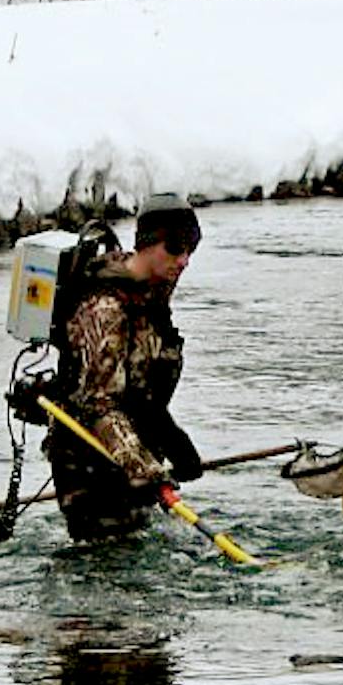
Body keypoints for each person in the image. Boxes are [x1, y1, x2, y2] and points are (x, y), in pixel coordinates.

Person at [46, 194, 205, 540]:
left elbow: (140, 388)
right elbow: (99, 404)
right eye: (176, 248)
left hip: (130, 457)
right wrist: (147, 471)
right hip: (88, 466)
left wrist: (171, 439)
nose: (185, 260)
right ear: (147, 244)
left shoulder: (152, 295)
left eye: (191, 248)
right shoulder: (105, 307)